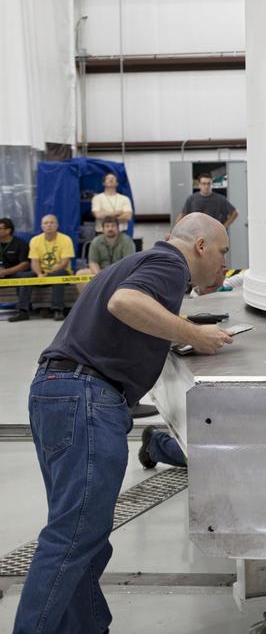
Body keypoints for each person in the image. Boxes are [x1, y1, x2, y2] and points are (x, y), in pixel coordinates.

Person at [14, 213, 234, 634]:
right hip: (86, 398)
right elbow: (124, 304)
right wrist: (193, 331)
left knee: (85, 540)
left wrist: (178, 335)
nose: (225, 262)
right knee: (74, 537)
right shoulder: (171, 264)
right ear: (201, 245)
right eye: (223, 251)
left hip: (59, 392)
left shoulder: (142, 262)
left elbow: (123, 315)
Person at [15, 215, 75, 322]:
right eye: (46, 223)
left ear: (57, 225)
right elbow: (34, 261)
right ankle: (23, 311)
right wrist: (39, 274)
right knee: (25, 276)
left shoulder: (65, 239)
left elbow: (65, 262)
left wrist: (50, 272)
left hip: (60, 271)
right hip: (41, 272)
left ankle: (58, 309)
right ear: (42, 226)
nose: (49, 225)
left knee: (59, 275)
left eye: (52, 222)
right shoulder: (35, 240)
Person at [1, 218, 32, 314]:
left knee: (24, 277)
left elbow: (25, 264)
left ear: (8, 230)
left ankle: (23, 310)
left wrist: (6, 272)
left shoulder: (20, 243)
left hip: (14, 273)